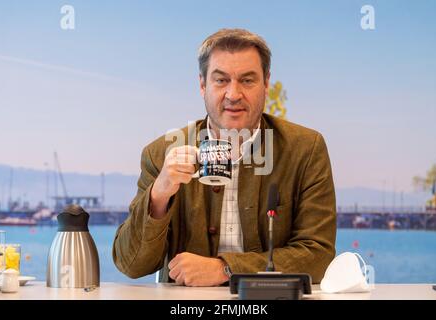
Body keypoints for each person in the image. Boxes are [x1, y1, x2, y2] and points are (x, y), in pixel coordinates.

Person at [113, 28, 336, 287]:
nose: (233, 94)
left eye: (248, 80)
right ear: (202, 85)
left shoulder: (306, 150)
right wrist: (159, 194)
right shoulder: (160, 153)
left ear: (266, 84)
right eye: (221, 80)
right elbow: (130, 264)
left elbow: (318, 255)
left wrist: (226, 269)